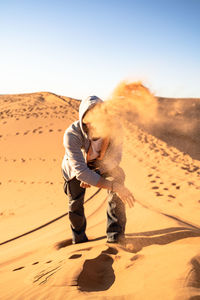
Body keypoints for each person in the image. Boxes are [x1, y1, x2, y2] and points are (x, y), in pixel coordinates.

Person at [62, 95, 135, 244]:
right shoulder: (72, 134)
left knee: (118, 177)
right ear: (83, 119)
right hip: (74, 169)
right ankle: (79, 240)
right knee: (75, 203)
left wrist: (97, 174)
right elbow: (81, 171)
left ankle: (116, 237)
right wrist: (88, 176)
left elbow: (116, 157)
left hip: (102, 165)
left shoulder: (114, 127)